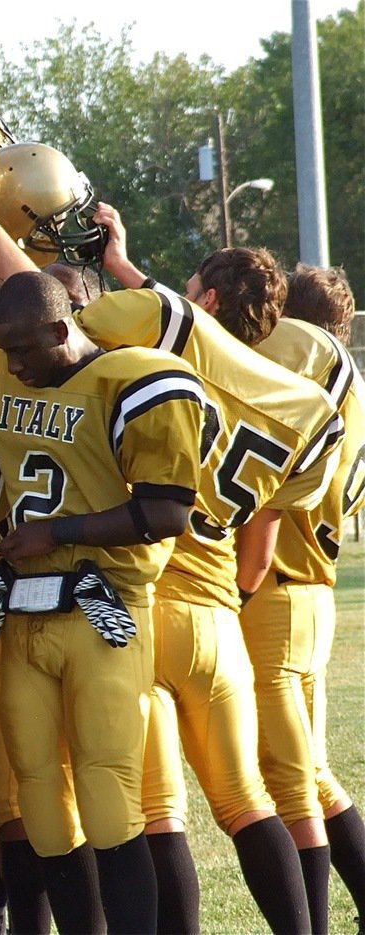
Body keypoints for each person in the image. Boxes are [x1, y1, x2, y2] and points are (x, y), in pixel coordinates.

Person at [0, 209, 210, 934]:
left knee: (107, 796)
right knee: (38, 803)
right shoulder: (5, 360)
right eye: (7, 351)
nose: (17, 365)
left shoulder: (136, 379)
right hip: (25, 617)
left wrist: (56, 530)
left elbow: (166, 511)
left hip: (105, 608)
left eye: (28, 349)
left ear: (66, 330)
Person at [76, 201, 345, 933]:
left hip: (143, 599)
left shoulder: (162, 366)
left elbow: (141, 325)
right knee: (249, 800)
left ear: (210, 299)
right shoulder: (280, 397)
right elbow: (259, 542)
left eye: (192, 286)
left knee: (157, 812)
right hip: (219, 611)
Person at [237, 266, 365, 932]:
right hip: (309, 591)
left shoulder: (304, 381)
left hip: (276, 590)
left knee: (287, 782)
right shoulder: (348, 390)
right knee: (309, 775)